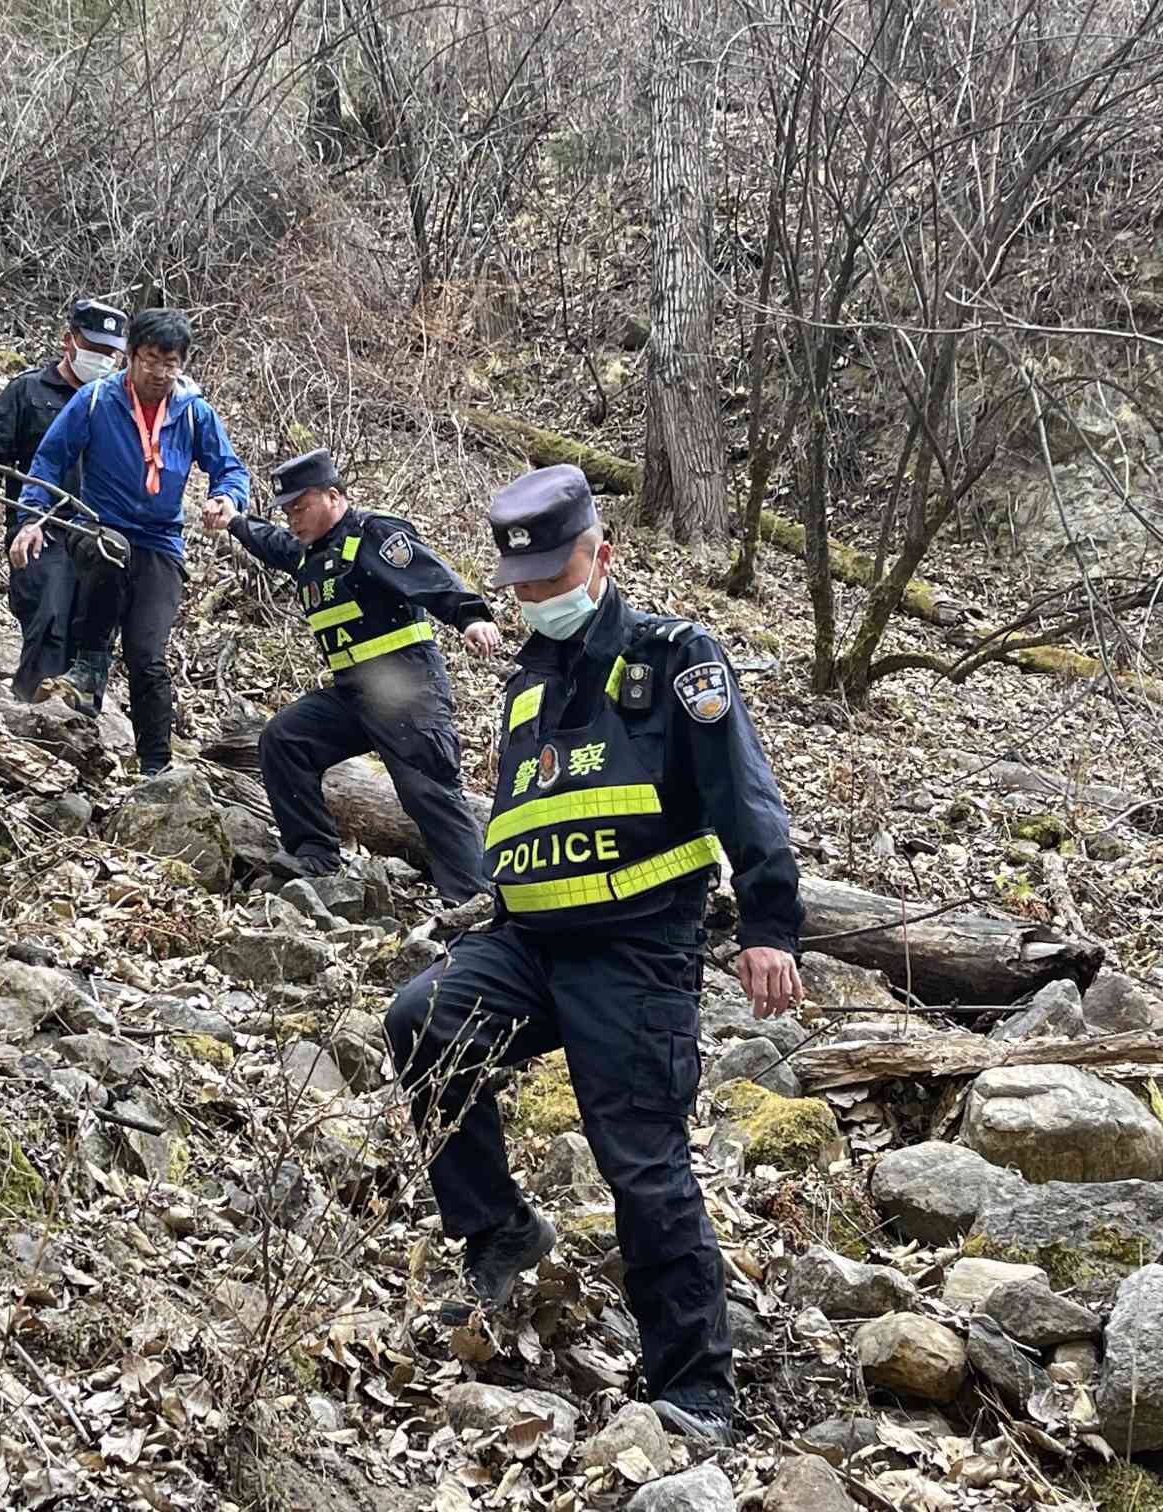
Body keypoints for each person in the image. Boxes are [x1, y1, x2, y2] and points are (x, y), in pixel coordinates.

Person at [382, 465, 806, 1444]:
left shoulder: (673, 660)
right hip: (528, 942)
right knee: (421, 1019)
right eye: (522, 586)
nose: (536, 599)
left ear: (601, 557)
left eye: (553, 576)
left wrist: (771, 927)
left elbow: (745, 796)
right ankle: (497, 1227)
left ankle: (694, 1389)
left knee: (643, 1168)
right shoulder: (528, 678)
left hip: (636, 949)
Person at [203, 448, 502, 903]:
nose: (293, 520)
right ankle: (315, 853)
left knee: (427, 792)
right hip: (353, 694)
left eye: (300, 508)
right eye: (287, 511)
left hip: (408, 690)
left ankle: (473, 903)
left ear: (334, 497)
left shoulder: (372, 536)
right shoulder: (311, 554)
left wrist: (471, 617)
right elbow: (274, 545)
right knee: (285, 739)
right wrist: (237, 522)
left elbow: (429, 575)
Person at [13, 308, 250, 773]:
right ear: (131, 356)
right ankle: (91, 664)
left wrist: (226, 497)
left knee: (147, 655)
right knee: (109, 552)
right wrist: (31, 519)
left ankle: (156, 768)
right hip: (101, 528)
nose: (160, 373)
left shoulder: (193, 411)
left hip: (162, 542)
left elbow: (230, 468)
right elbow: (48, 463)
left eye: (172, 362)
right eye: (151, 359)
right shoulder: (95, 400)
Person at [0, 297, 128, 702]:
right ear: (69, 341)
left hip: (100, 531)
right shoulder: (28, 390)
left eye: (111, 354)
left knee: (88, 626)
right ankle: (31, 708)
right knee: (49, 614)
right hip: (38, 528)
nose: (102, 360)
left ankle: (78, 716)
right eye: (94, 349)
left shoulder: (119, 402)